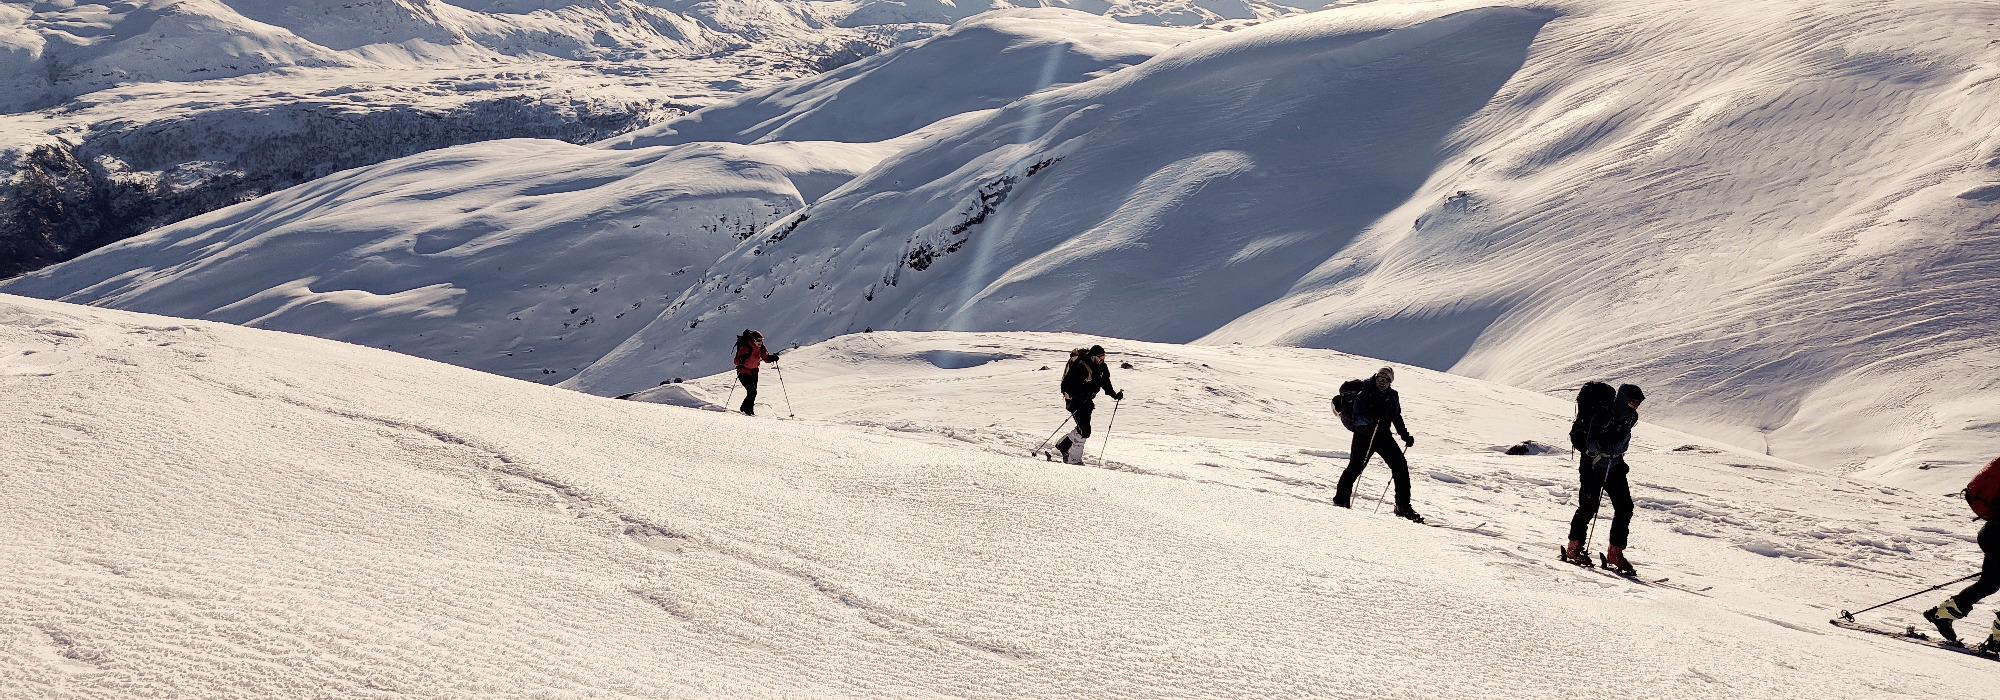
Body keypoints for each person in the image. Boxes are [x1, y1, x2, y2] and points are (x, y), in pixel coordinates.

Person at [1563, 384, 1644, 571]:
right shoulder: (1603, 415)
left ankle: (1615, 553)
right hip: (1592, 467)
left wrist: (1616, 446)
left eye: (1637, 403)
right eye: (1632, 402)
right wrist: (1604, 445)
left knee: (1625, 507)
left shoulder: (1631, 417)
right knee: (1589, 507)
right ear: (1623, 399)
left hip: (1614, 466)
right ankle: (1574, 548)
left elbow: (1625, 441)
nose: (1635, 406)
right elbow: (1590, 444)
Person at [1923, 455, 2000, 652]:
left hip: (1992, 535)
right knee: (1989, 583)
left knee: (1989, 584)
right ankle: (1999, 641)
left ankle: (1942, 614)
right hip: (1997, 538)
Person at [1333, 367, 1422, 523]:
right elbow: (1358, 416)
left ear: (1390, 382)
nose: (1382, 382)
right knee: (1355, 467)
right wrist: (1372, 417)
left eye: (1386, 380)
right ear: (1375, 378)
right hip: (1364, 436)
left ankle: (1402, 506)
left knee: (1400, 465)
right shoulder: (1365, 391)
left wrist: (1405, 436)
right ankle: (1340, 500)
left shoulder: (1392, 395)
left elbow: (1396, 417)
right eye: (1380, 378)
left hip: (1383, 437)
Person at [1049, 345, 1123, 465]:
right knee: (1085, 431)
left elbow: (1106, 384)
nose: (1102, 360)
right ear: (1093, 357)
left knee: (1082, 429)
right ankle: (1073, 459)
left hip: (1087, 402)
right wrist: (1082, 394)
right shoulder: (1081, 366)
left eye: (1104, 357)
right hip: (1074, 401)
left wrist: (1115, 395)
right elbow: (1067, 386)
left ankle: (1063, 445)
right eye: (1100, 358)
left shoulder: (1102, 367)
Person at [732, 330, 778, 416]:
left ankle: (744, 408)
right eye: (758, 340)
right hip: (743, 372)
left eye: (761, 340)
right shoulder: (746, 347)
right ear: (753, 340)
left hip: (754, 372)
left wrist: (773, 358)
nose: (760, 342)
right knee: (752, 392)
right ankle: (748, 411)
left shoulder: (761, 348)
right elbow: (736, 361)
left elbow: (766, 358)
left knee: (752, 392)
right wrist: (742, 359)